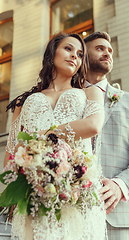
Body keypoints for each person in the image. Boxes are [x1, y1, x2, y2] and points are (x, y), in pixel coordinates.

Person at [4, 33, 106, 240]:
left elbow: (93, 126)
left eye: (79, 54)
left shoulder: (89, 93)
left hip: (75, 191)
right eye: (68, 49)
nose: (74, 56)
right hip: (34, 193)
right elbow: (11, 154)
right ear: (52, 53)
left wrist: (43, 136)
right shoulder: (23, 102)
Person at [84, 31, 129, 240]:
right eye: (100, 48)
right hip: (70, 212)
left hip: (116, 213)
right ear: (83, 55)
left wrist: (120, 185)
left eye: (110, 50)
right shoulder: (67, 98)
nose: (107, 53)